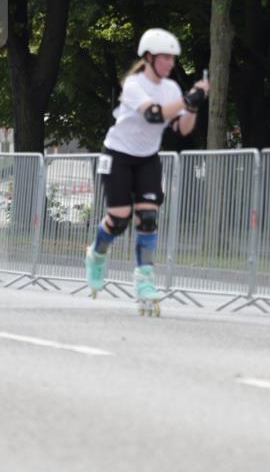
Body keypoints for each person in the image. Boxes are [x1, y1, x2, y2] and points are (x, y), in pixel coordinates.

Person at [85, 28, 210, 312]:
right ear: (150, 57)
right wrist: (189, 99)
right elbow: (154, 115)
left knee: (148, 217)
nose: (171, 63)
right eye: (166, 58)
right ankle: (96, 254)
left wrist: (193, 107)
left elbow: (181, 129)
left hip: (147, 157)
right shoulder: (133, 84)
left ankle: (144, 281)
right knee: (118, 219)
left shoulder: (172, 89)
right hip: (118, 154)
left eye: (173, 58)